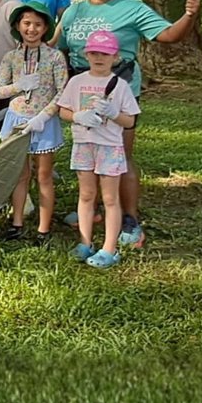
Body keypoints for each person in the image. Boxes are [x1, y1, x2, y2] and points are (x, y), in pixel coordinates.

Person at [57, 0, 201, 247]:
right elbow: (56, 48)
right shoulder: (73, 12)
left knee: (118, 154)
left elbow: (169, 35)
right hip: (83, 89)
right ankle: (93, 208)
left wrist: (189, 15)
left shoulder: (132, 8)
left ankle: (130, 218)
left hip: (117, 89)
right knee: (88, 152)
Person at [56, 29, 140, 269]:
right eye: (94, 53)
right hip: (84, 144)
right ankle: (85, 242)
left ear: (115, 57)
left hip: (110, 147)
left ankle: (109, 248)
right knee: (86, 195)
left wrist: (113, 113)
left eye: (105, 53)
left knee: (110, 198)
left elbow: (130, 121)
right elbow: (63, 111)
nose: (99, 57)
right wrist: (78, 116)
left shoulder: (120, 86)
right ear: (86, 54)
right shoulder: (77, 82)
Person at [0, 2, 68, 245]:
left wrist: (44, 116)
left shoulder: (55, 56)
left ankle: (43, 228)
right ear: (18, 25)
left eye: (37, 24)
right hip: (17, 119)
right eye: (27, 23)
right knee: (19, 173)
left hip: (43, 120)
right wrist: (19, 85)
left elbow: (62, 91)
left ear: (46, 27)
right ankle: (17, 222)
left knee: (44, 175)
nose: (32, 28)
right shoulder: (11, 57)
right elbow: (0, 91)